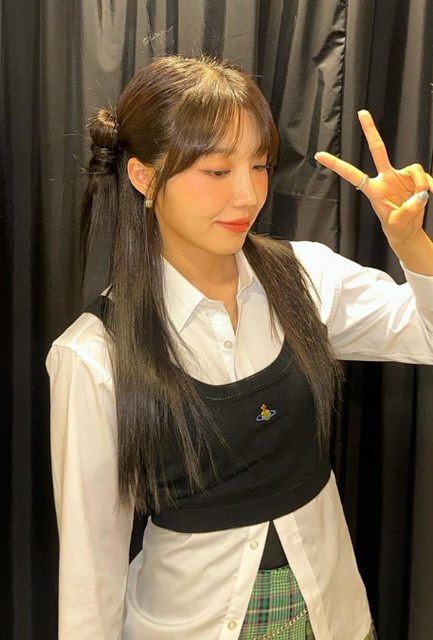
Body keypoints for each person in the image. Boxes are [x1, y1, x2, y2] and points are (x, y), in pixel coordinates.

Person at [46, 55, 433, 640]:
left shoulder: (304, 277)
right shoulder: (95, 354)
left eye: (259, 165)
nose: (248, 194)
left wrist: (410, 242)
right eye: (217, 170)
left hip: (333, 614)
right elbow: (89, 573)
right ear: (144, 177)